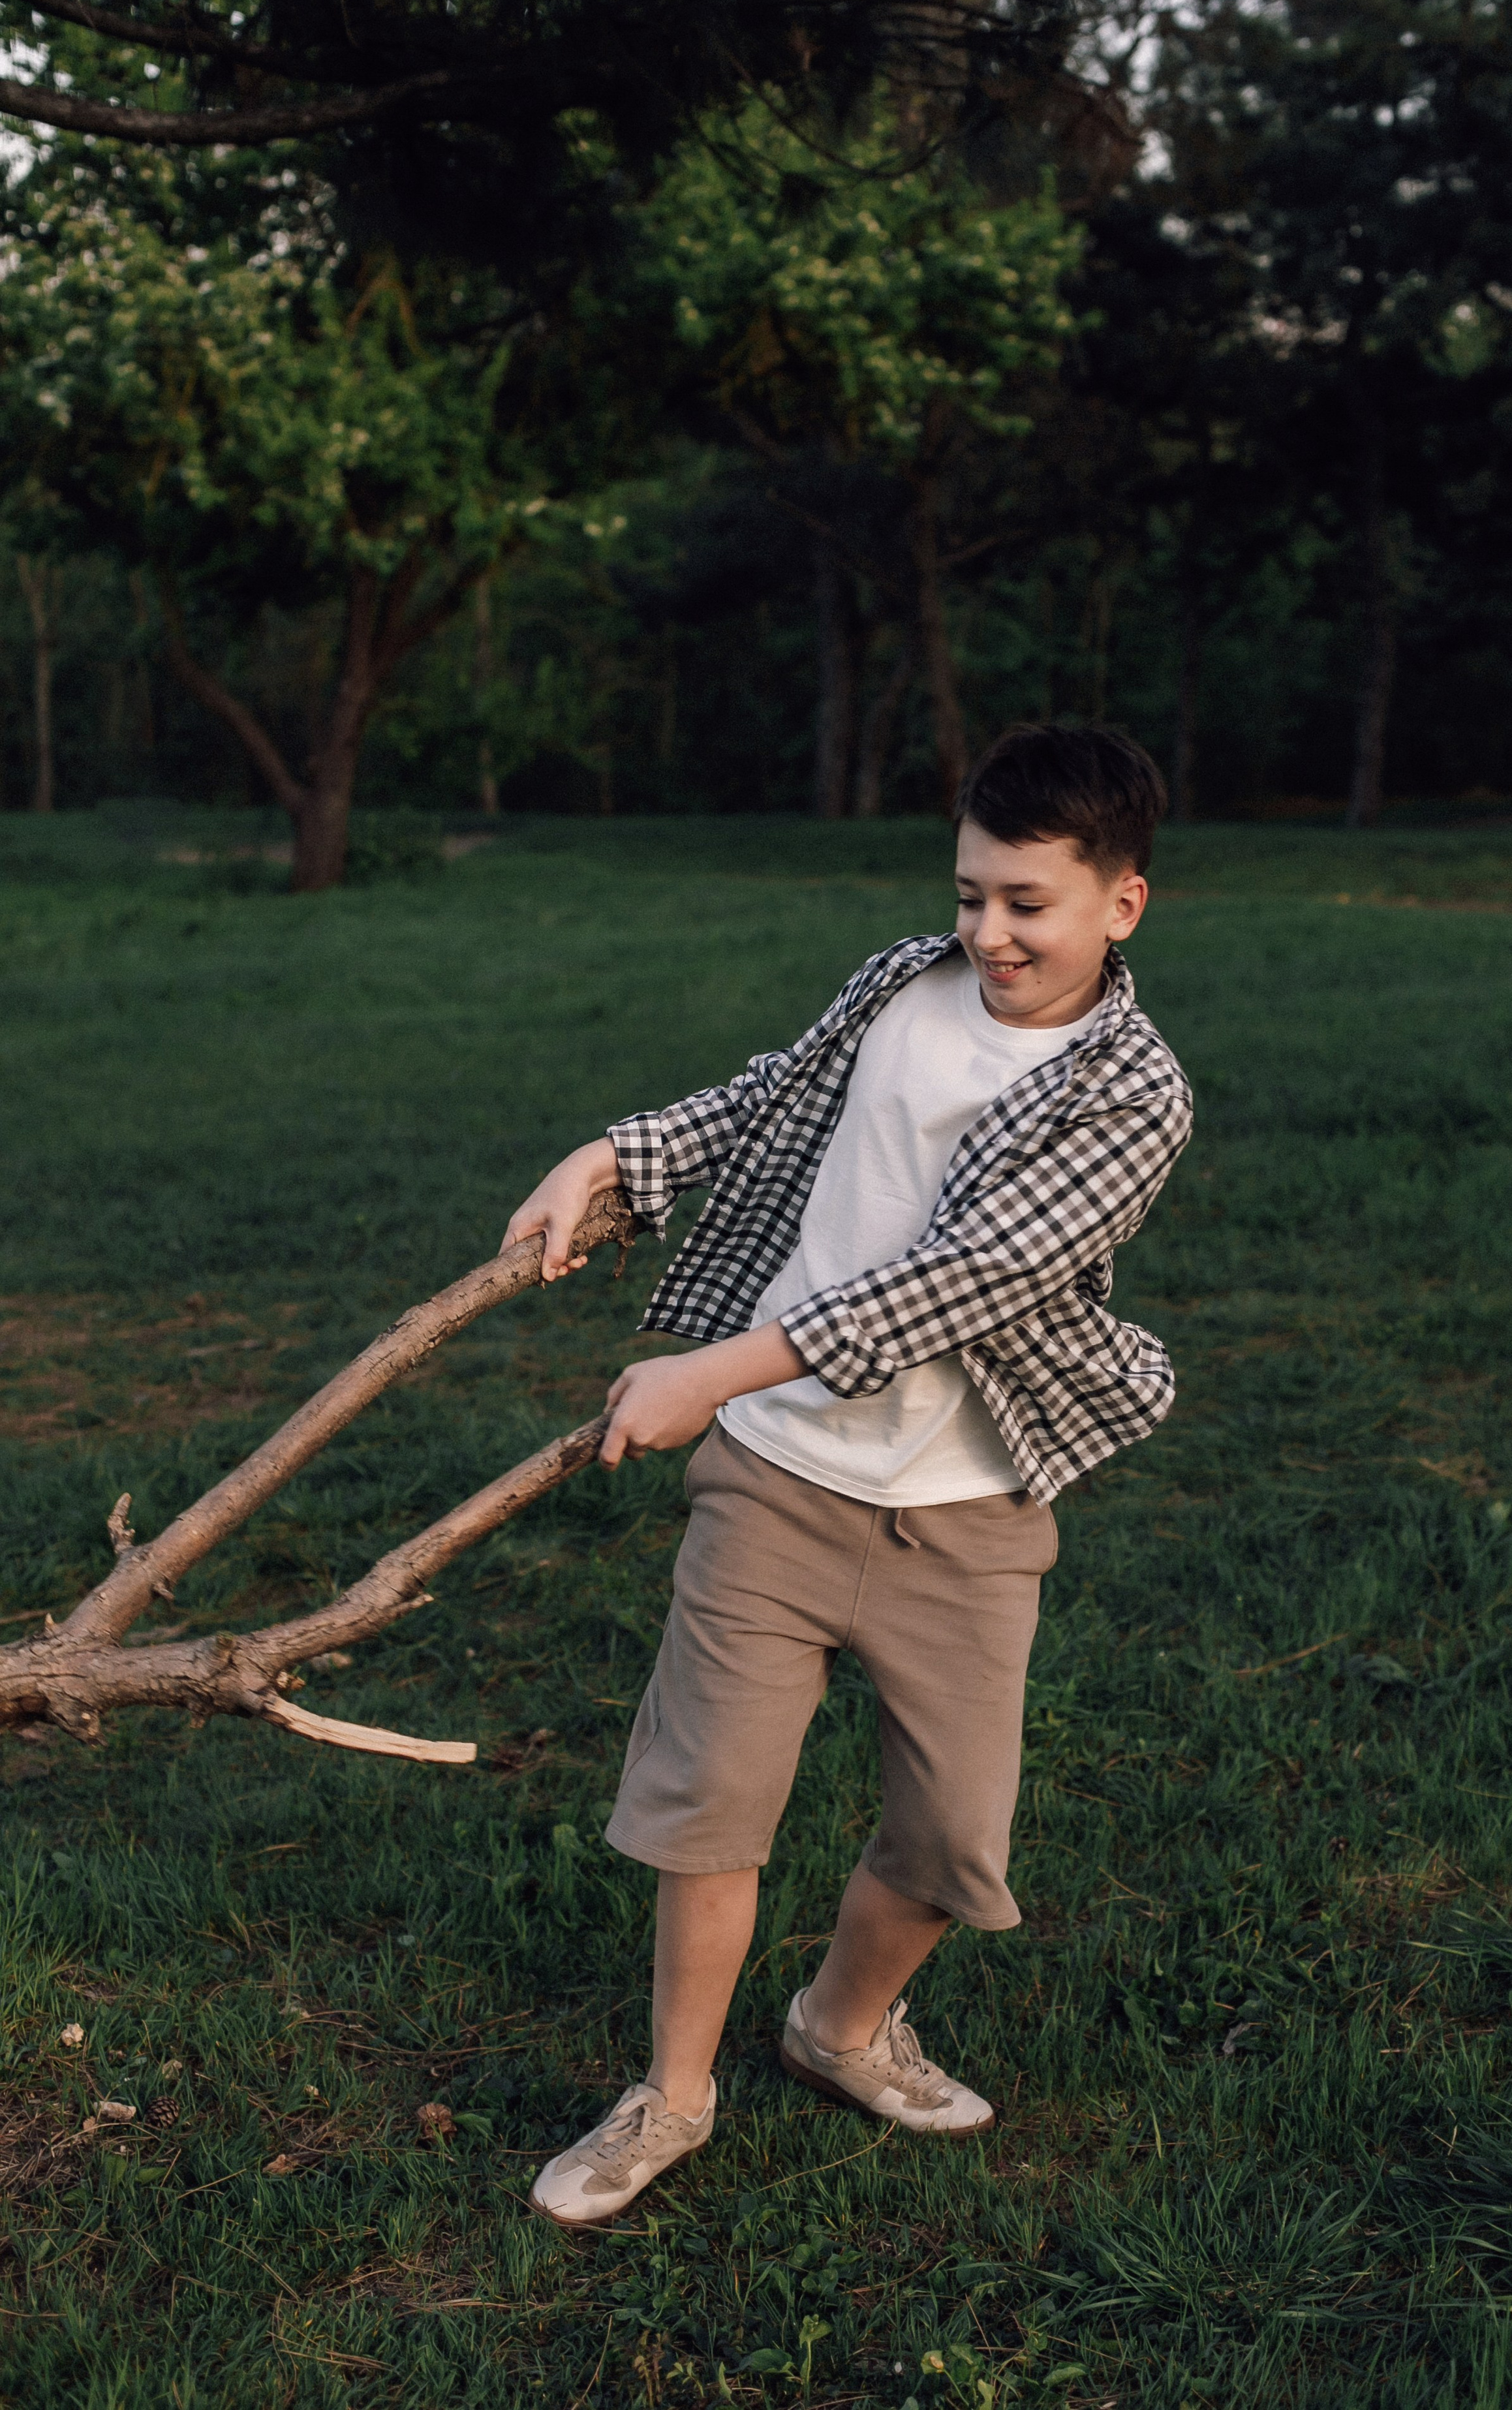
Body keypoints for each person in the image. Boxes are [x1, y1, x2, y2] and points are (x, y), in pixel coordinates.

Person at [501, 721, 1192, 2227]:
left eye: (1027, 904)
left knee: (952, 1839)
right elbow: (769, 1102)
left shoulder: (1131, 1096)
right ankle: (669, 2102)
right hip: (776, 1484)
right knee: (710, 1803)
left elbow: (948, 1286)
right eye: (969, 895)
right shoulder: (901, 983)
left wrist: (703, 1370)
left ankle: (837, 2026)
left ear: (1118, 905)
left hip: (966, 1510)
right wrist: (608, 1157)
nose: (988, 933)